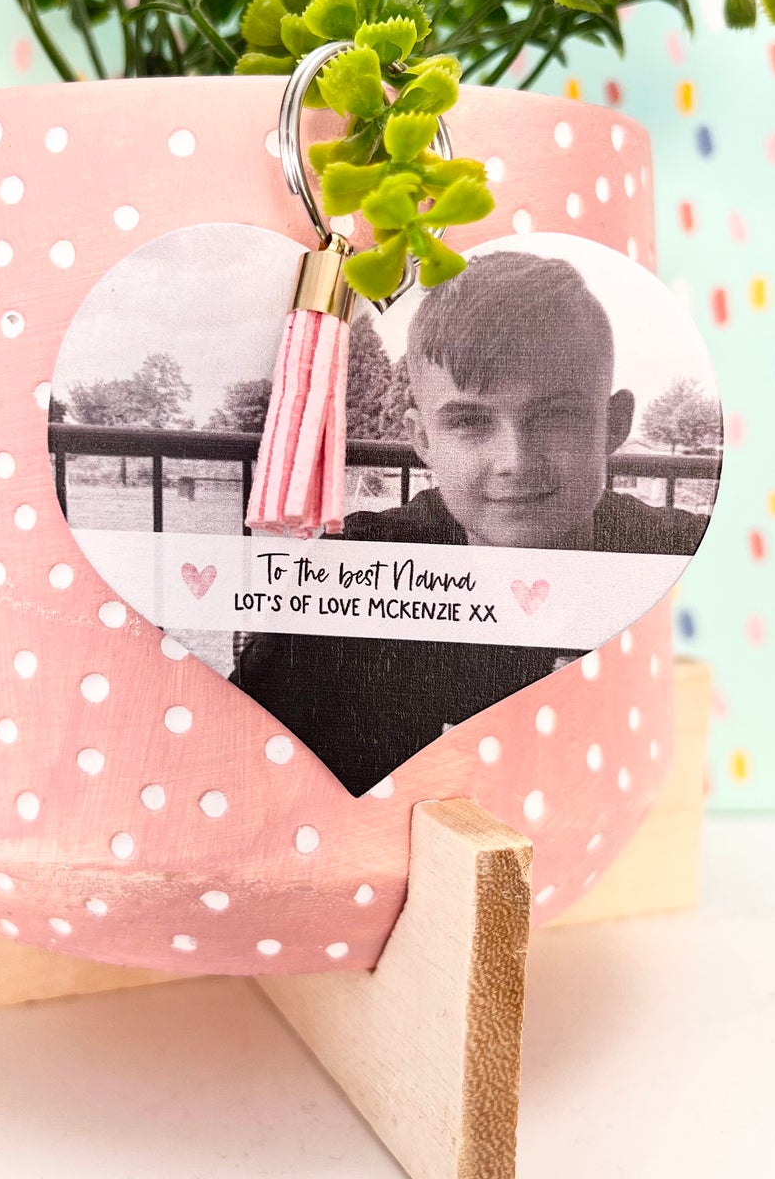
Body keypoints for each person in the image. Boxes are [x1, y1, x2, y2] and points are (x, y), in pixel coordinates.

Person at [231, 250, 710, 794]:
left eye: (555, 416)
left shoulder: (686, 561)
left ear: (614, 424)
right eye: (470, 422)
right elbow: (242, 770)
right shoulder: (349, 581)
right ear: (423, 440)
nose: (515, 460)